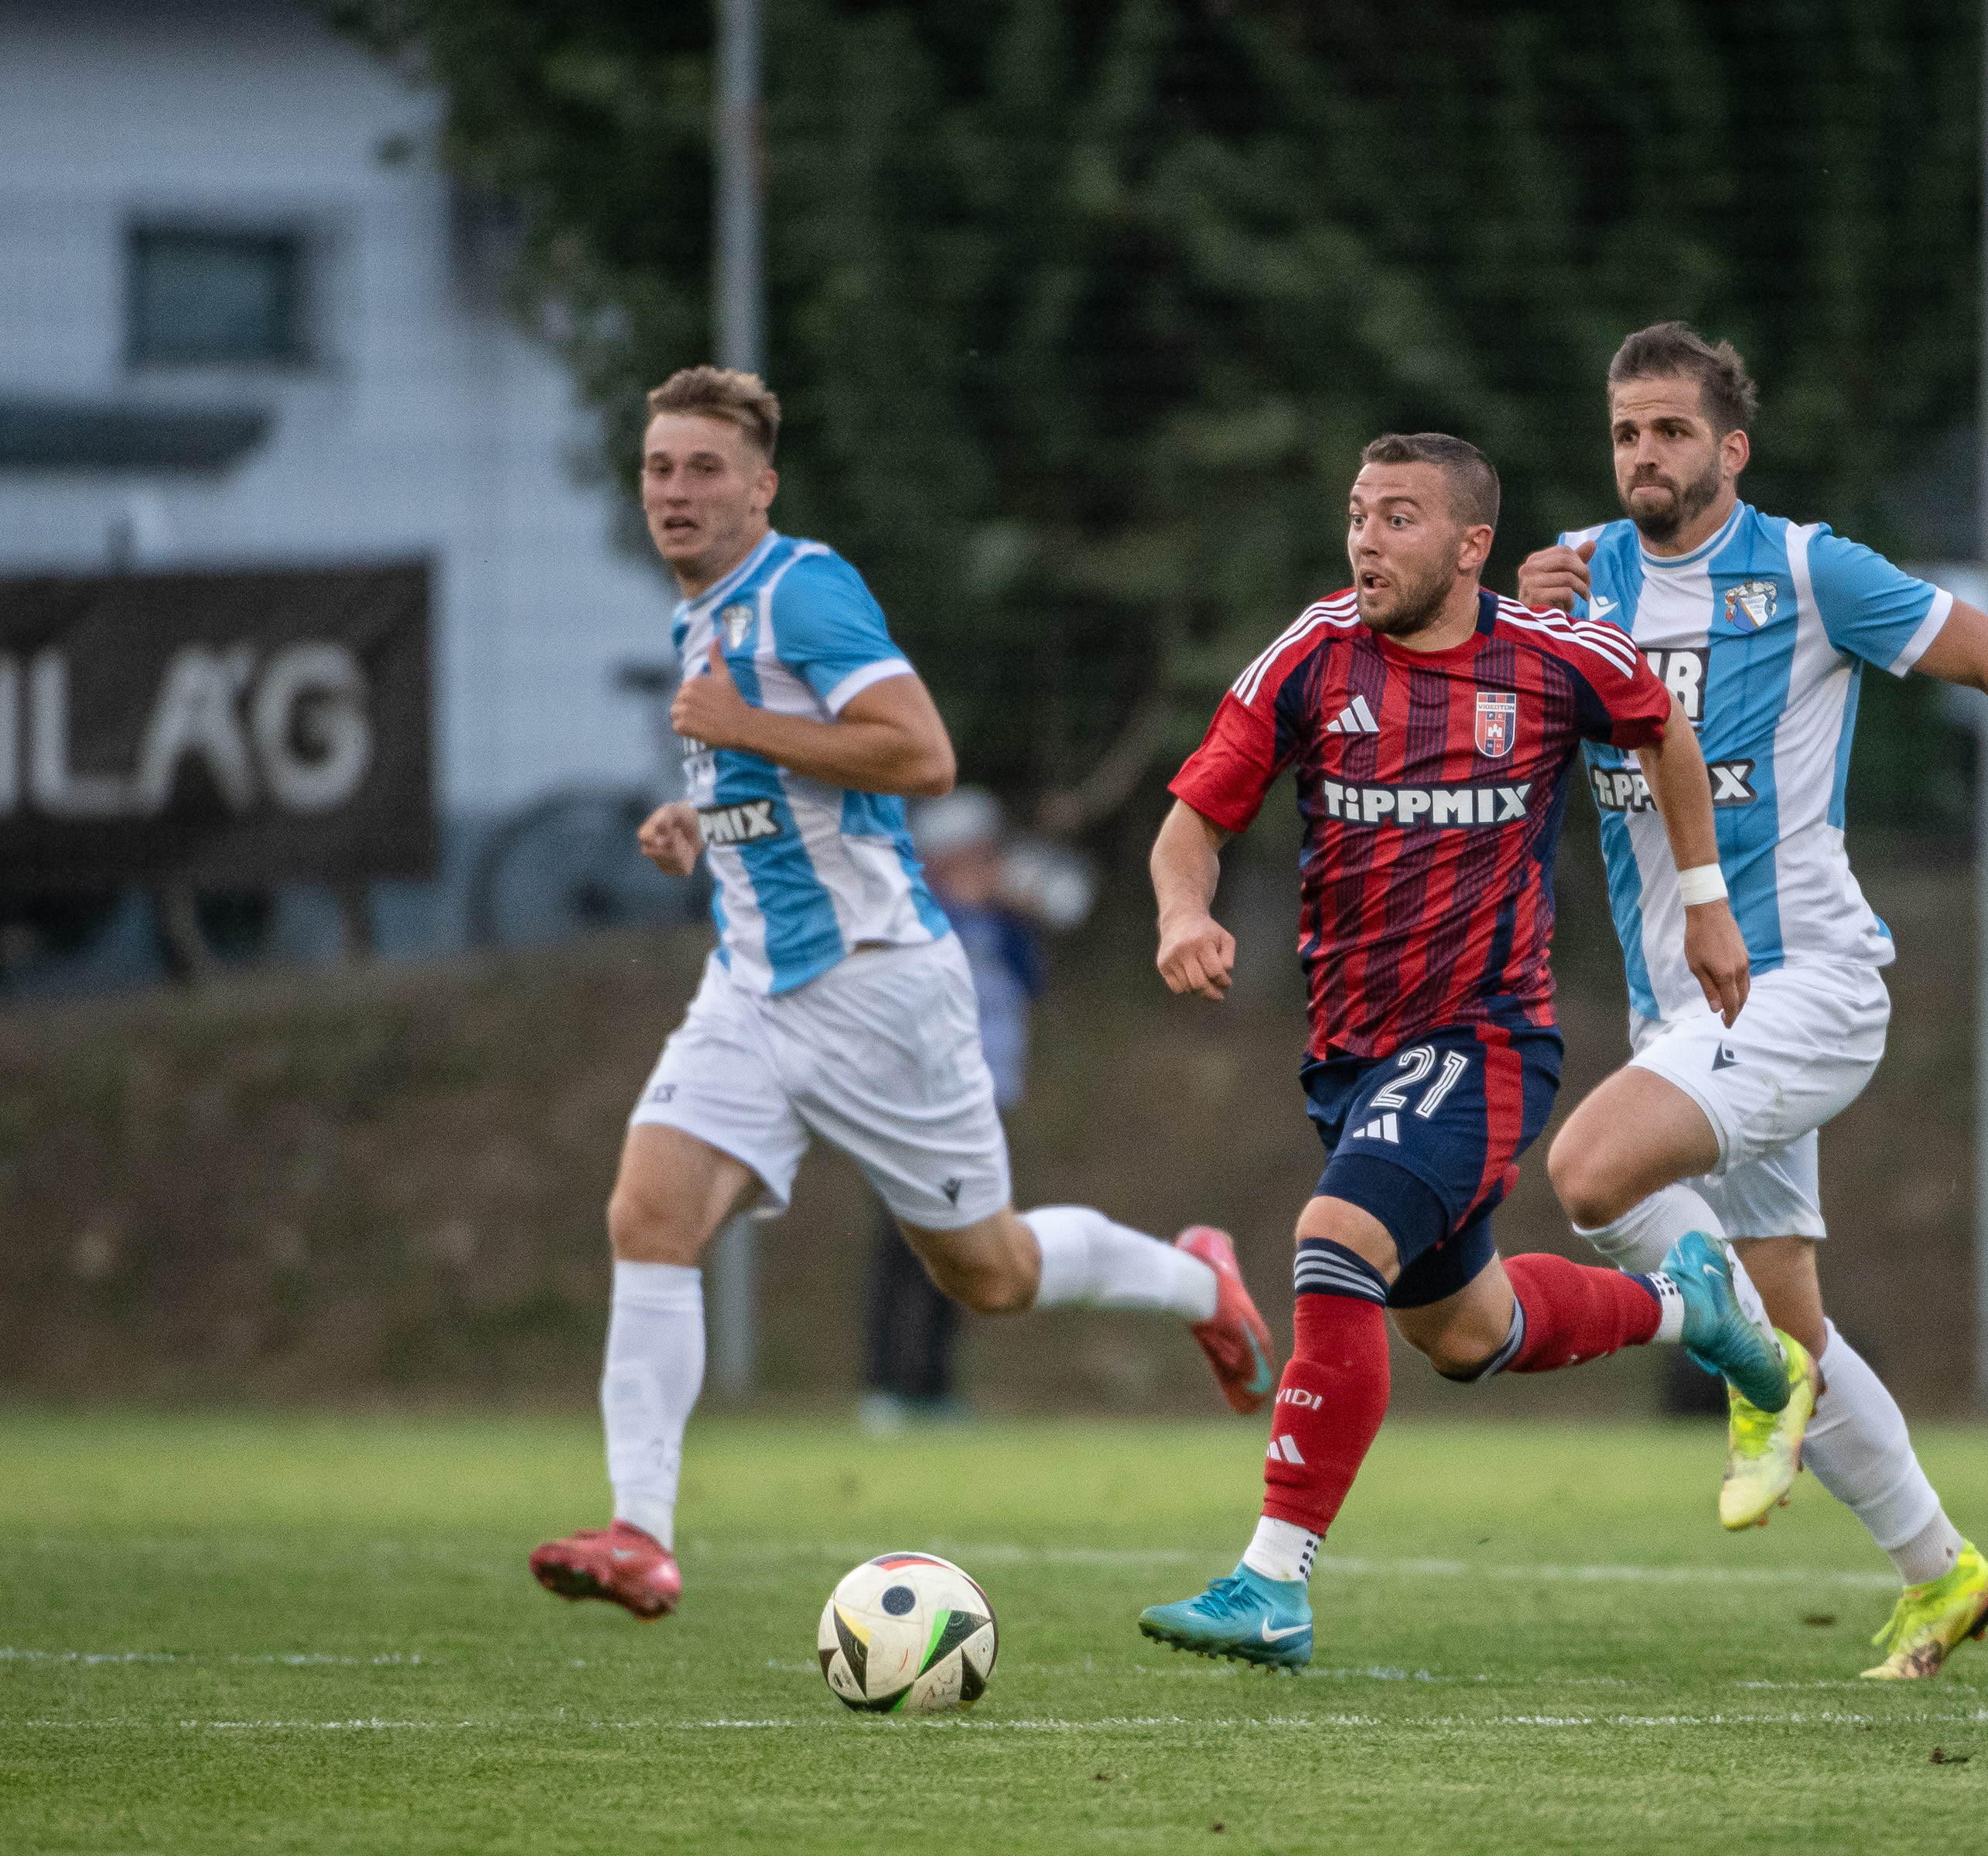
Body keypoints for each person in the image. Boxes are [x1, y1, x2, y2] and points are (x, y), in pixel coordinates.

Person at [528, 367, 1276, 1621]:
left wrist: (743, 734)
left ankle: (1200, 1281)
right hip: (751, 991)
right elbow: (790, 792)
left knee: (989, 1272)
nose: (676, 490)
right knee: (647, 1216)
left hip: (879, 991)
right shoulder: (700, 621)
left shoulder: (802, 590)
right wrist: (695, 821)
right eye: (660, 468)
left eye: (706, 469)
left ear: (761, 488)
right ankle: (641, 1536)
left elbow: (921, 756)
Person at [1519, 323, 1988, 1680]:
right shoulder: (1577, 578)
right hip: (1684, 1013)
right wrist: (1525, 624)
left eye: (1673, 431)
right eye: (1627, 432)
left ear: (1732, 450)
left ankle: (1747, 1372)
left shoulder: (1811, 572)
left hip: (1805, 984)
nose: (1646, 454)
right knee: (1791, 1316)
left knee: (1589, 1172)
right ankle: (1944, 1574)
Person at [1134, 432, 1800, 1668]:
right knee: (1465, 1336)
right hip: (1351, 1057)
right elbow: (1191, 825)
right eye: (1358, 514)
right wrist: (1183, 913)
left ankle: (1271, 1585)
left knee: (1335, 1243)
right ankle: (1687, 1307)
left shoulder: (1552, 657)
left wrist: (1706, 901)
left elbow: (1663, 731)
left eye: (1399, 518)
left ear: (1470, 545)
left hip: (1484, 1038)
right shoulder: (1313, 653)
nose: (1367, 540)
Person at [860, 790, 1047, 1431]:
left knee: (967, 1243)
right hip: (915, 1104)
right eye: (976, 853)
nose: (989, 864)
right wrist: (960, 906)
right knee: (902, 1243)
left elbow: (1032, 982)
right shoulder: (915, 915)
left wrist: (1015, 916)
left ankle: (933, 1386)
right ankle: (884, 1387)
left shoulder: (1002, 922)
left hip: (986, 1100)